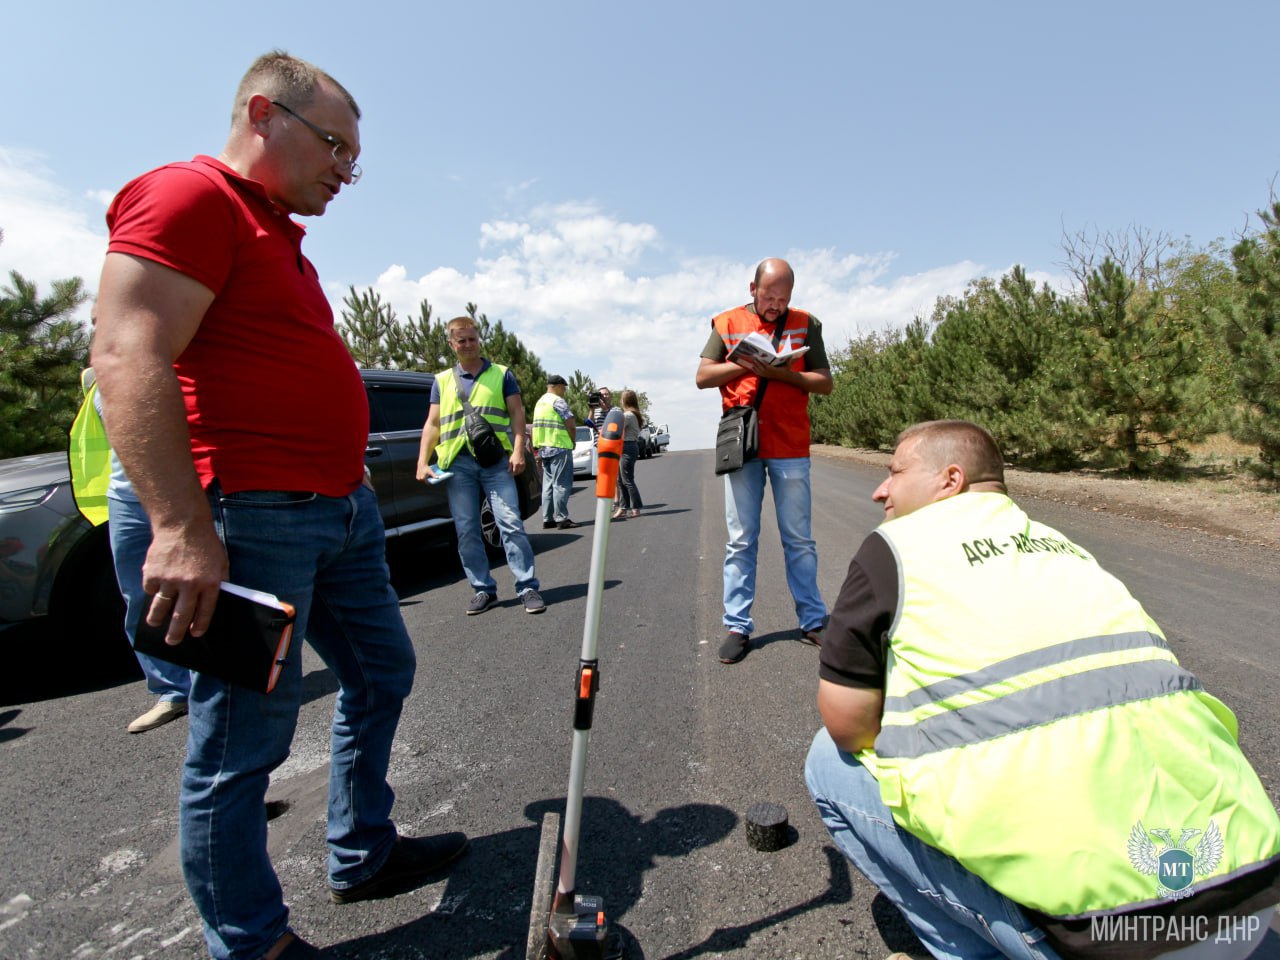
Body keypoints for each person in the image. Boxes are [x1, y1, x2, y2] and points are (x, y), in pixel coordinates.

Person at [90, 51, 468, 960]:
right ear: (263, 114)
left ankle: (360, 850)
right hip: (251, 517)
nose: (346, 169)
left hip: (339, 511)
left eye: (353, 156)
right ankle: (251, 942)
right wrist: (181, 528)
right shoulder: (187, 198)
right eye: (335, 146)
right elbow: (126, 351)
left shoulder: (274, 233)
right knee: (240, 747)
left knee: (382, 674)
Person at [805, 420, 1280, 960]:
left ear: (950, 479)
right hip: (1250, 899)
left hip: (1109, 936)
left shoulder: (895, 547)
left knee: (828, 761)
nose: (879, 490)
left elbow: (847, 725)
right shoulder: (1066, 548)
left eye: (893, 472)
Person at [695, 257, 833, 664]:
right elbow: (703, 376)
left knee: (799, 539)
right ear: (751, 289)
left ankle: (813, 620)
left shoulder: (806, 323)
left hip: (790, 444)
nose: (775, 305)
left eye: (783, 298)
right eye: (769, 296)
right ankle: (737, 625)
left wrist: (784, 374)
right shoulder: (726, 323)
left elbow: (824, 382)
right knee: (741, 539)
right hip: (745, 443)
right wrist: (744, 363)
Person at [70, 369, 193, 733]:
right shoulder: (96, 381)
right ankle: (172, 690)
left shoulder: (170, 362)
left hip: (183, 490)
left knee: (207, 590)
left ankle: (224, 685)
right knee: (139, 596)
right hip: (124, 498)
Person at [416, 316, 545, 615]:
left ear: (478, 339)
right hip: (458, 465)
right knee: (467, 530)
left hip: (495, 461)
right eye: (461, 340)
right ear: (451, 344)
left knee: (510, 523)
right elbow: (432, 423)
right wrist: (423, 461)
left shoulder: (501, 374)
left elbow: (516, 413)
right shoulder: (441, 381)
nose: (468, 344)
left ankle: (527, 587)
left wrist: (518, 451)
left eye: (472, 338)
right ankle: (483, 589)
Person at [533, 374, 577, 529]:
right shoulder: (557, 401)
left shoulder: (540, 402)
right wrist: (572, 440)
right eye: (563, 387)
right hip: (559, 446)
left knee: (548, 485)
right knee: (561, 484)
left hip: (544, 449)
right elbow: (570, 424)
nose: (564, 390)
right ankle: (562, 518)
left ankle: (547, 519)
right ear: (557, 386)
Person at [612, 388, 645, 520]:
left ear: (625, 401)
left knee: (627, 480)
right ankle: (623, 508)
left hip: (627, 446)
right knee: (621, 480)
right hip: (627, 446)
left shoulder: (628, 415)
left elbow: (617, 429)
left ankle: (636, 507)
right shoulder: (633, 414)